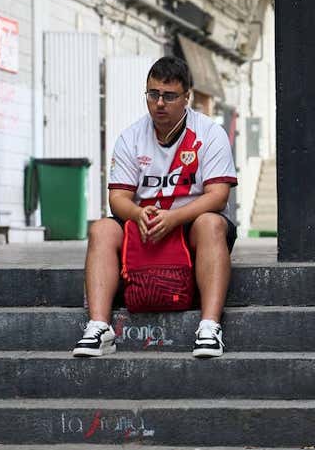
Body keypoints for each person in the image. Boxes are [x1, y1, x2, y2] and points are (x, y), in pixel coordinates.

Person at [72, 57, 238, 359]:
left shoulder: (209, 133)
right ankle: (99, 327)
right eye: (153, 94)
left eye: (169, 96)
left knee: (212, 223)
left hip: (190, 222)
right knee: (102, 229)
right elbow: (118, 198)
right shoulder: (131, 137)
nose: (159, 103)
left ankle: (210, 326)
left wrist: (174, 217)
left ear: (187, 97)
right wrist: (137, 214)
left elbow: (218, 195)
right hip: (145, 223)